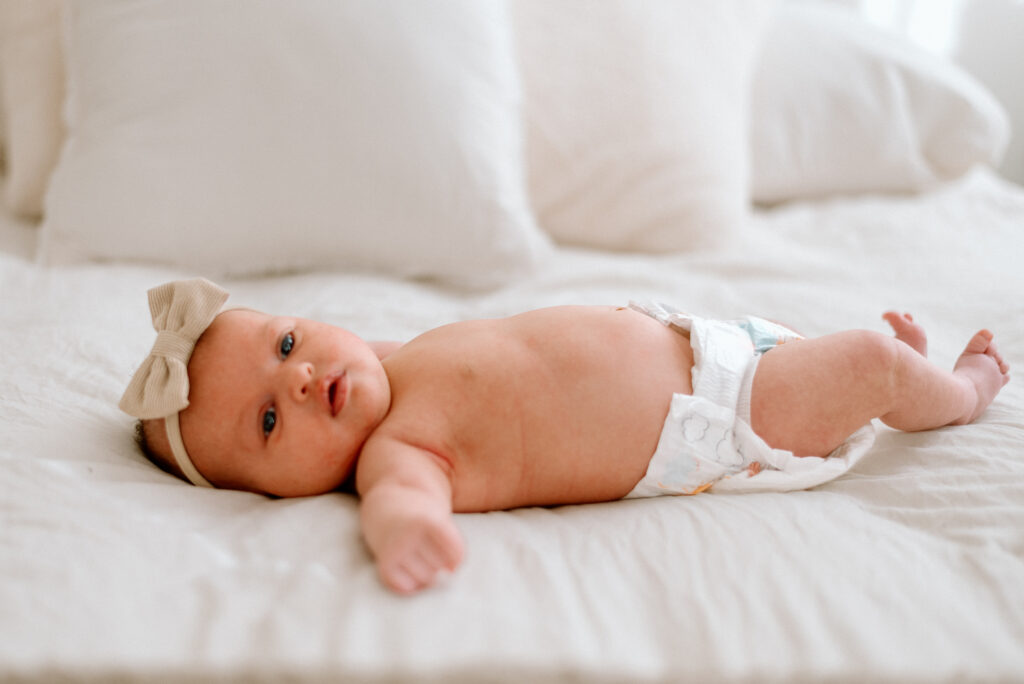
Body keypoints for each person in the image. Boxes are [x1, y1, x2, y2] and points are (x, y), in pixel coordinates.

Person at [120, 279, 1010, 594]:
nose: (300, 377)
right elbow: (401, 497)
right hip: (722, 419)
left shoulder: (387, 366)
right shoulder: (398, 449)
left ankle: (909, 375)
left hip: (710, 344)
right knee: (865, 365)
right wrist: (405, 529)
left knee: (829, 360)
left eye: (286, 345)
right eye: (269, 420)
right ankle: (958, 391)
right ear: (277, 493)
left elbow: (348, 358)